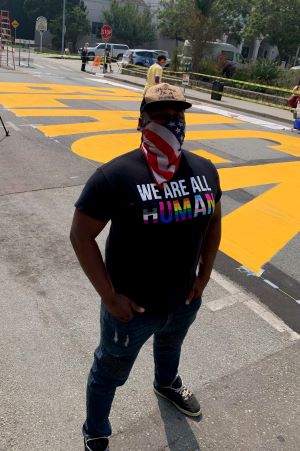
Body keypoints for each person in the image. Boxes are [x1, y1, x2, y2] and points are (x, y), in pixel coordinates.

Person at [70, 82, 222, 451]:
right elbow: (80, 236)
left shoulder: (204, 169)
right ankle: (96, 429)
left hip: (183, 301)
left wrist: (203, 276)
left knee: (170, 348)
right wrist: (109, 297)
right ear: (141, 121)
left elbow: (214, 221)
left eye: (179, 115)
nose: (173, 122)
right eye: (161, 115)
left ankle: (166, 383)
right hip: (131, 311)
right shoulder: (116, 176)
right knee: (109, 372)